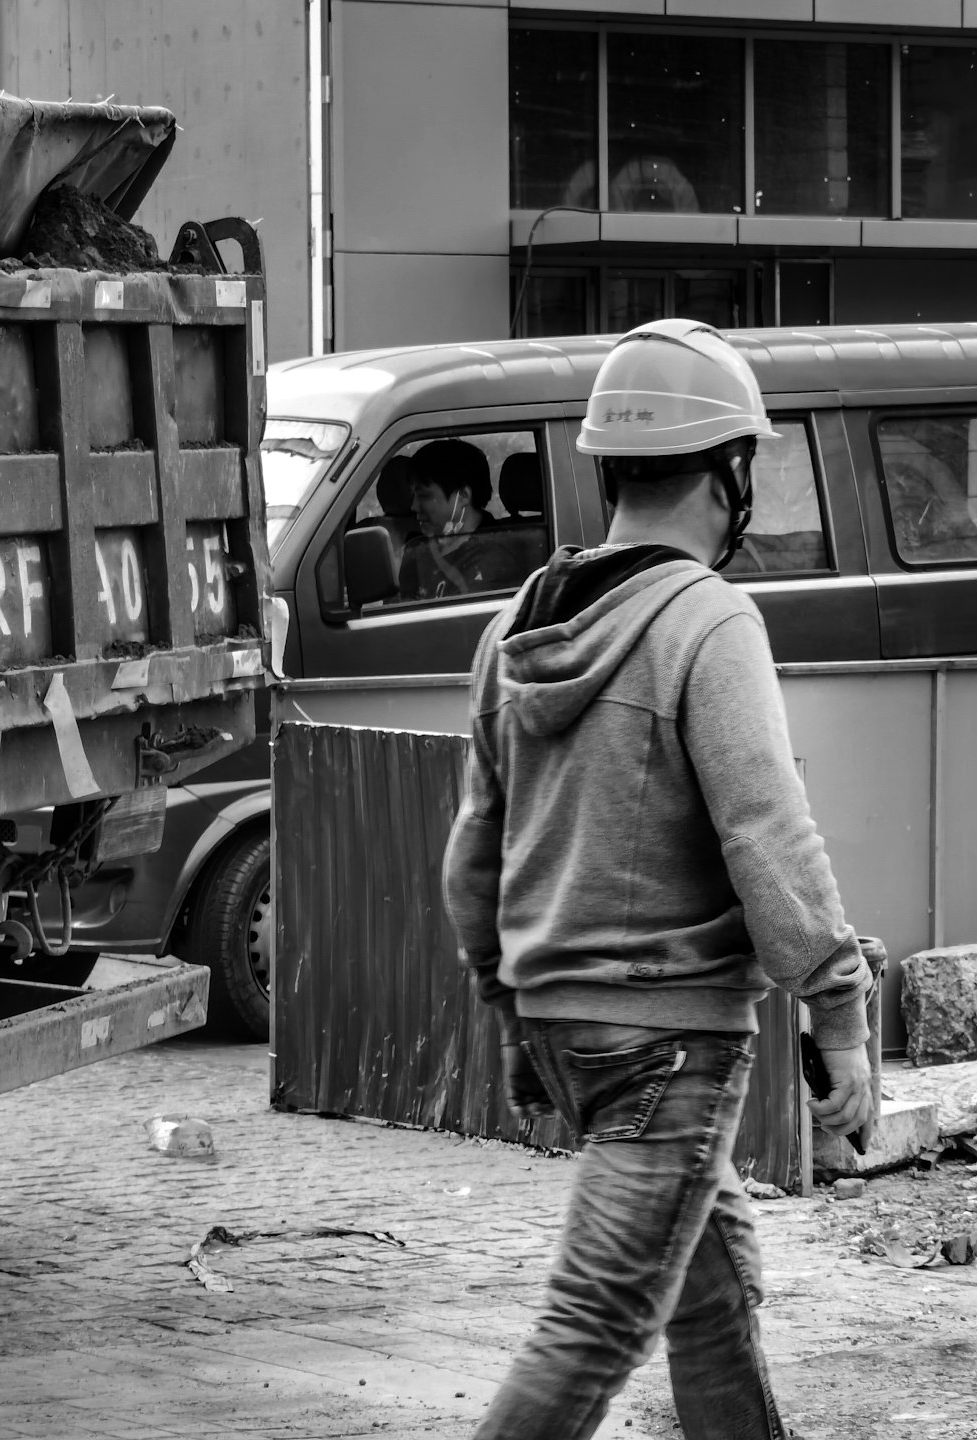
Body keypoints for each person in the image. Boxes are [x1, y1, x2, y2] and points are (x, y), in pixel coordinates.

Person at [441, 318, 874, 1440]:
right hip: (666, 1040)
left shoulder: (517, 623)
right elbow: (768, 833)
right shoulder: (705, 618)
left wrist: (506, 1011)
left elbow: (473, 852)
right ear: (728, 472)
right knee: (593, 1328)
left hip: (564, 1025)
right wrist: (840, 1013)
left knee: (714, 1299)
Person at [398, 439, 525, 601]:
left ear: (463, 496)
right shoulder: (418, 550)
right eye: (413, 496)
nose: (414, 506)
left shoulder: (495, 560)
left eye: (424, 496)